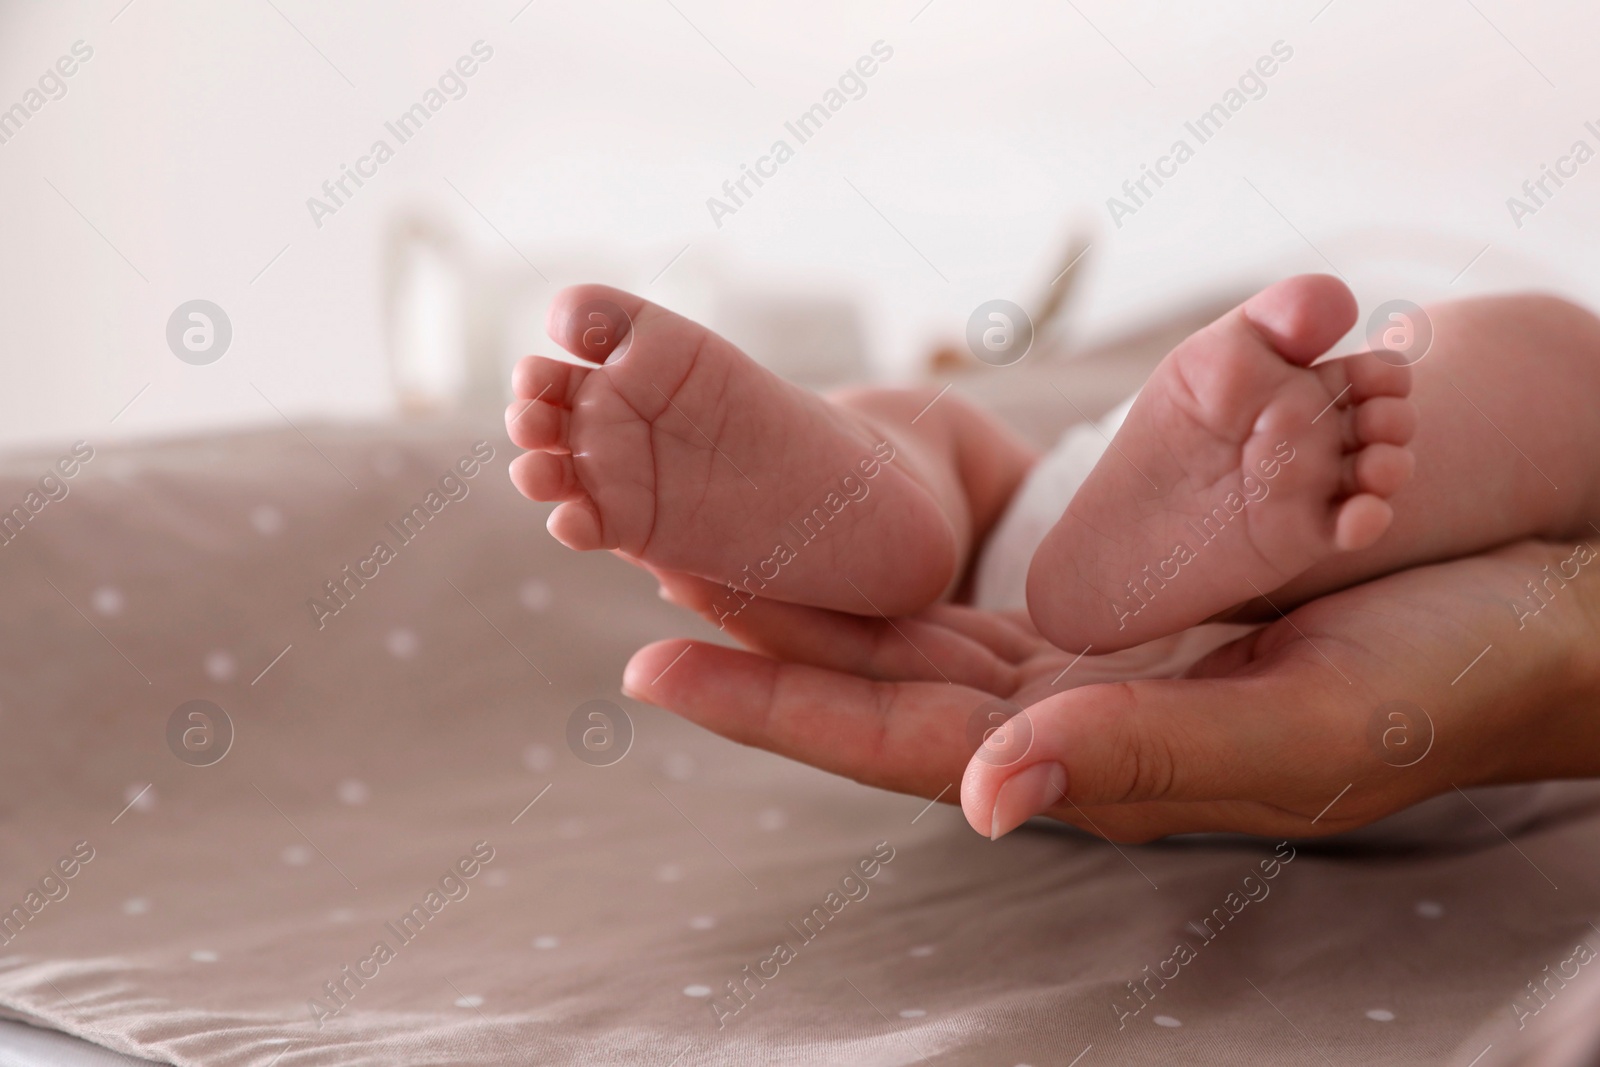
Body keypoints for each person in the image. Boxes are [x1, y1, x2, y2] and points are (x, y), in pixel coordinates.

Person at [506, 278, 1600, 839]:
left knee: (962, 452)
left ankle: (870, 477)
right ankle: (1262, 516)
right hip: (1436, 669)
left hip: (1016, 611)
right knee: (1551, 374)